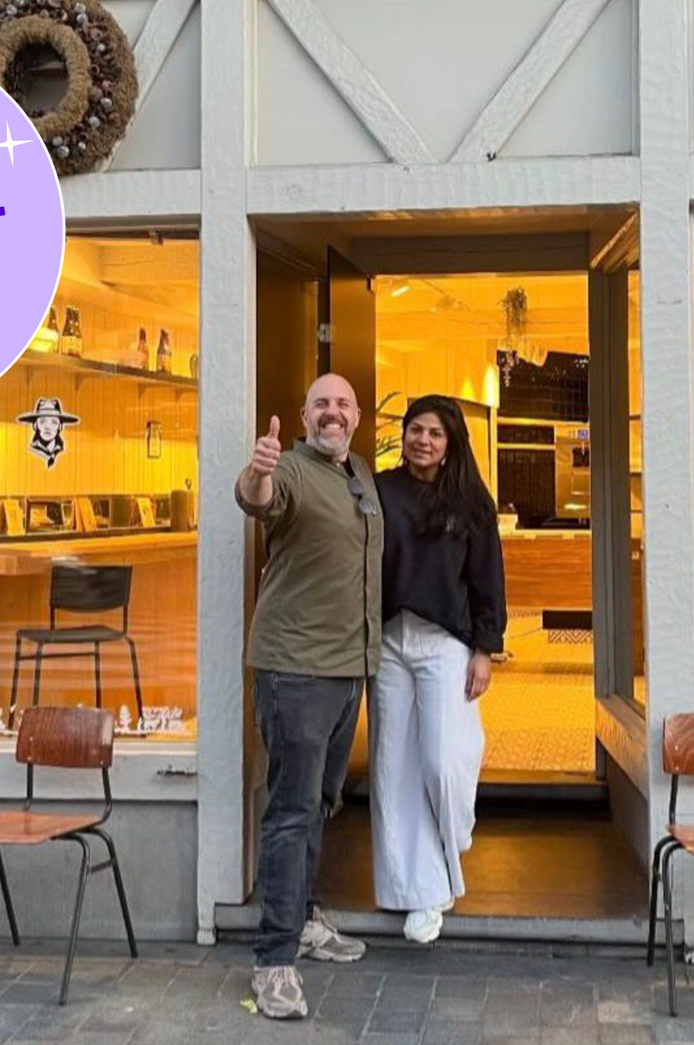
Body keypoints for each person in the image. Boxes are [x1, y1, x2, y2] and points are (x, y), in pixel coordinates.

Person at [234, 373, 383, 1021]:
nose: (332, 412)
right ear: (303, 416)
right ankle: (273, 961)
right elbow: (259, 500)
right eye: (321, 403)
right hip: (295, 672)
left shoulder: (360, 475)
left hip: (347, 671)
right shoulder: (289, 469)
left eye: (342, 404)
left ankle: (304, 920)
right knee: (291, 812)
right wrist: (257, 473)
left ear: (357, 416)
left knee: (320, 803)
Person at [370, 396, 506, 945]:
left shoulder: (470, 501)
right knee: (393, 768)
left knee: (443, 760)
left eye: (434, 433)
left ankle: (456, 830)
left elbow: (487, 578)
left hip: (446, 643)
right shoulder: (380, 490)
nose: (422, 440)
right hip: (389, 641)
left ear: (450, 444)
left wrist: (485, 648)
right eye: (415, 430)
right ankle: (419, 894)